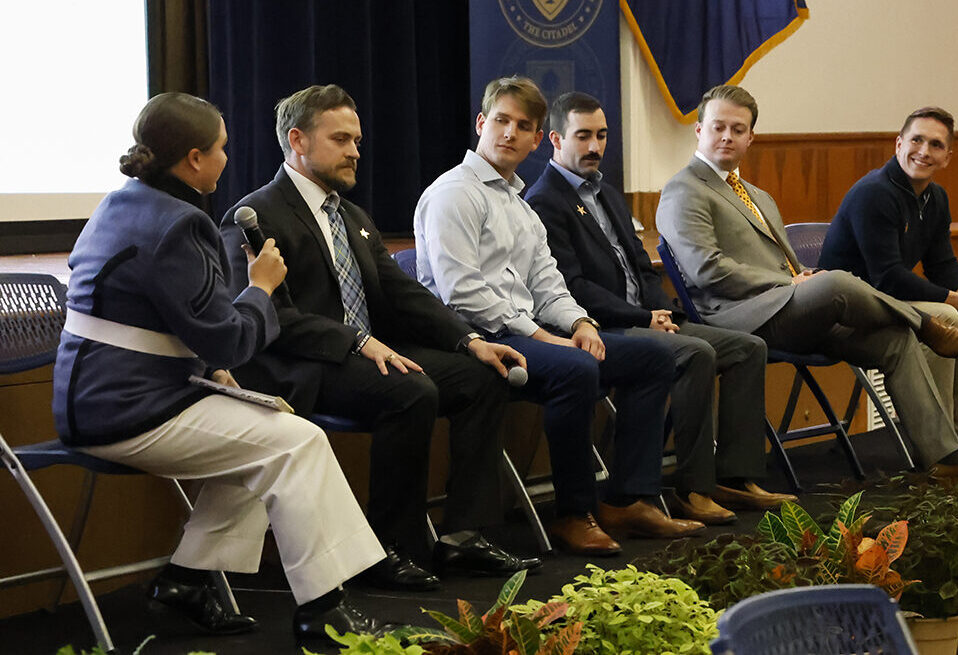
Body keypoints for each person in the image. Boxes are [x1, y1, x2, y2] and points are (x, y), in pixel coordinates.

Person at [52, 92, 386, 644]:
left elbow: (165, 318)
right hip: (126, 408)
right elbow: (231, 342)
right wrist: (261, 288)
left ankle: (185, 580)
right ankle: (324, 613)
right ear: (193, 159)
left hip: (95, 395)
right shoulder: (179, 224)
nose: (228, 159)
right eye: (222, 149)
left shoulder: (121, 203)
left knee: (261, 444)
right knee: (296, 443)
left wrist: (213, 363)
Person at [219, 85, 538, 590]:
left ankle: (462, 537)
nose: (354, 152)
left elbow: (403, 294)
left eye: (358, 141)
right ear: (297, 140)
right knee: (410, 391)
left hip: (366, 355)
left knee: (482, 375)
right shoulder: (255, 216)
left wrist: (468, 341)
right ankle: (387, 548)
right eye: (341, 139)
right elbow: (267, 315)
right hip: (305, 364)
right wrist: (355, 341)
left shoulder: (350, 215)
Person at [415, 75, 702, 556]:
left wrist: (579, 324)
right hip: (473, 337)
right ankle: (573, 512)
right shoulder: (454, 193)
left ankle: (627, 498)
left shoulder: (517, 203)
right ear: (481, 124)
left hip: (525, 332)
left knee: (650, 359)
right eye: (501, 121)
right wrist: (547, 339)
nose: (509, 133)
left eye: (521, 126)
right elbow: (462, 293)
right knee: (576, 368)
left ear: (533, 140)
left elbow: (549, 282)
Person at [655, 84, 958, 479]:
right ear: (699, 130)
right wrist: (791, 285)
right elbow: (706, 269)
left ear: (751, 137)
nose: (727, 136)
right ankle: (925, 323)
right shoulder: (683, 190)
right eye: (718, 127)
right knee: (837, 283)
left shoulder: (757, 195)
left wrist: (802, 276)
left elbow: (788, 265)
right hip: (737, 317)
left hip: (792, 312)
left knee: (893, 338)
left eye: (738, 130)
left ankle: (945, 459)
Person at [525, 91, 794, 524]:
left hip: (646, 319)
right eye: (583, 136)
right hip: (599, 327)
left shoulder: (608, 194)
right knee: (697, 353)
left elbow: (642, 269)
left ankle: (735, 477)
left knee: (747, 349)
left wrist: (663, 312)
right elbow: (572, 287)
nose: (595, 147)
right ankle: (692, 489)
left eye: (602, 136)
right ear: (555, 139)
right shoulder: (544, 201)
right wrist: (643, 318)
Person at [819, 107, 958, 461]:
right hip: (847, 316)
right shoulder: (874, 193)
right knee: (947, 317)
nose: (923, 150)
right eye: (916, 140)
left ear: (947, 157)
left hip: (889, 305)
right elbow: (887, 277)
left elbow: (942, 264)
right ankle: (938, 448)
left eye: (935, 145)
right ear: (898, 143)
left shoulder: (936, 198)